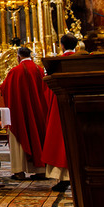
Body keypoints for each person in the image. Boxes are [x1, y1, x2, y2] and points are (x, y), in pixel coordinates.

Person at [0, 47, 48, 180]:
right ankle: (41, 170)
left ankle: (19, 171)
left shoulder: (15, 71)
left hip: (19, 112)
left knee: (19, 136)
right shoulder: (39, 70)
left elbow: (4, 90)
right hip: (37, 111)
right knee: (38, 136)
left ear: (18, 57)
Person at [41, 34, 76, 192]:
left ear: (61, 45)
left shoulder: (56, 63)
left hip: (59, 104)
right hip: (79, 104)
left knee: (60, 139)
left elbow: (47, 87)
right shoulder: (82, 60)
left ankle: (63, 177)